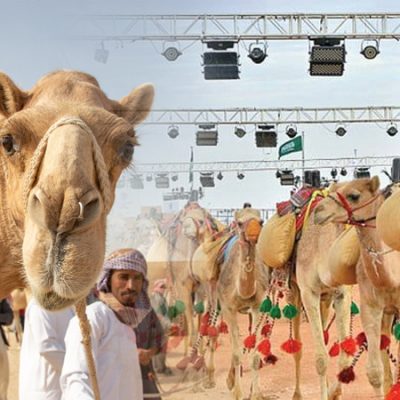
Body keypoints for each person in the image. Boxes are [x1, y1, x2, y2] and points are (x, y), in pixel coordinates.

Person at [61, 248, 163, 400]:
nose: (131, 285)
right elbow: (76, 378)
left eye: (137, 278)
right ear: (108, 279)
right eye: (123, 277)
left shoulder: (128, 324)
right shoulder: (94, 317)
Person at [19, 298, 74, 400]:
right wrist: (75, 368)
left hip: (60, 385)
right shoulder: (40, 305)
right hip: (44, 389)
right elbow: (46, 346)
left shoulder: (67, 307)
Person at [150, 279, 172, 375]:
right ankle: (158, 369)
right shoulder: (156, 298)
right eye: (161, 287)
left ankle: (161, 367)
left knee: (162, 348)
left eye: (164, 287)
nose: (163, 289)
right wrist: (168, 324)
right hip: (158, 327)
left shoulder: (161, 298)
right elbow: (158, 314)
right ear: (156, 287)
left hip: (163, 327)